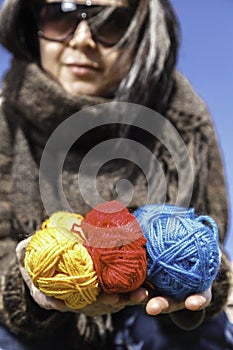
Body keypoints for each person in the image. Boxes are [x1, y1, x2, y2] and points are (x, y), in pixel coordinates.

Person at [0, 0, 232, 349]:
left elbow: (206, 239)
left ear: (142, 32)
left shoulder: (183, 120)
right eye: (58, 13)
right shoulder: (4, 116)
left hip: (152, 317)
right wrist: (29, 289)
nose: (82, 39)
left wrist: (199, 290)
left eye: (111, 22)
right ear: (31, 19)